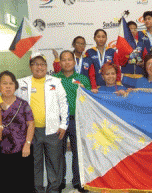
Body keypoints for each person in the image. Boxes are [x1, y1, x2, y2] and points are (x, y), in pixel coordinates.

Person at [15, 53, 69, 193]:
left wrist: (63, 125)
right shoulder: (21, 83)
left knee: (54, 163)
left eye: (42, 64)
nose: (39, 67)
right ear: (30, 67)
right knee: (35, 163)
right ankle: (37, 189)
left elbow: (64, 103)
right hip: (31, 132)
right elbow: (12, 101)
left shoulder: (55, 81)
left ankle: (53, 190)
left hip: (52, 130)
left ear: (46, 66)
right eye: (36, 64)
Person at [53, 50, 91, 192]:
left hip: (78, 121)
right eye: (64, 60)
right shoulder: (54, 79)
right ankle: (59, 182)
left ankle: (78, 182)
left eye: (70, 59)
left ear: (74, 62)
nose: (67, 62)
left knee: (78, 153)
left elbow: (89, 101)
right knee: (58, 153)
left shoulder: (83, 79)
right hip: (58, 122)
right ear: (60, 62)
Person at [0, 71, 35, 192]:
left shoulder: (23, 104)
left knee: (23, 184)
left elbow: (31, 124)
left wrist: (28, 144)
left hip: (21, 150)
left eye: (11, 83)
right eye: (4, 83)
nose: (8, 86)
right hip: (2, 151)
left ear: (15, 86)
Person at [85, 29, 121, 93]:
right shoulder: (89, 52)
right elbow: (90, 72)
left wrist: (118, 82)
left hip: (110, 85)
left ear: (106, 38)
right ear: (94, 38)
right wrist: (93, 86)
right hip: (96, 86)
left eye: (103, 37)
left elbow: (117, 68)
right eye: (98, 37)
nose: (101, 39)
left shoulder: (112, 51)